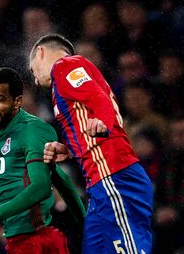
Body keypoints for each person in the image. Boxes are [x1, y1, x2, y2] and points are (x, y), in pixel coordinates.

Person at [29, 34, 153, 254]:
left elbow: (98, 99)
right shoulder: (64, 81)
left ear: (40, 52)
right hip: (99, 184)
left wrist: (102, 122)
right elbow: (90, 114)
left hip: (114, 176)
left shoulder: (65, 65)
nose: (36, 80)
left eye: (32, 71)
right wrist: (69, 149)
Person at [0, 67, 85, 254]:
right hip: (15, 240)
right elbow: (57, 175)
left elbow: (42, 186)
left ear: (17, 101)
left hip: (37, 240)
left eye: (0, 99)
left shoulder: (31, 130)